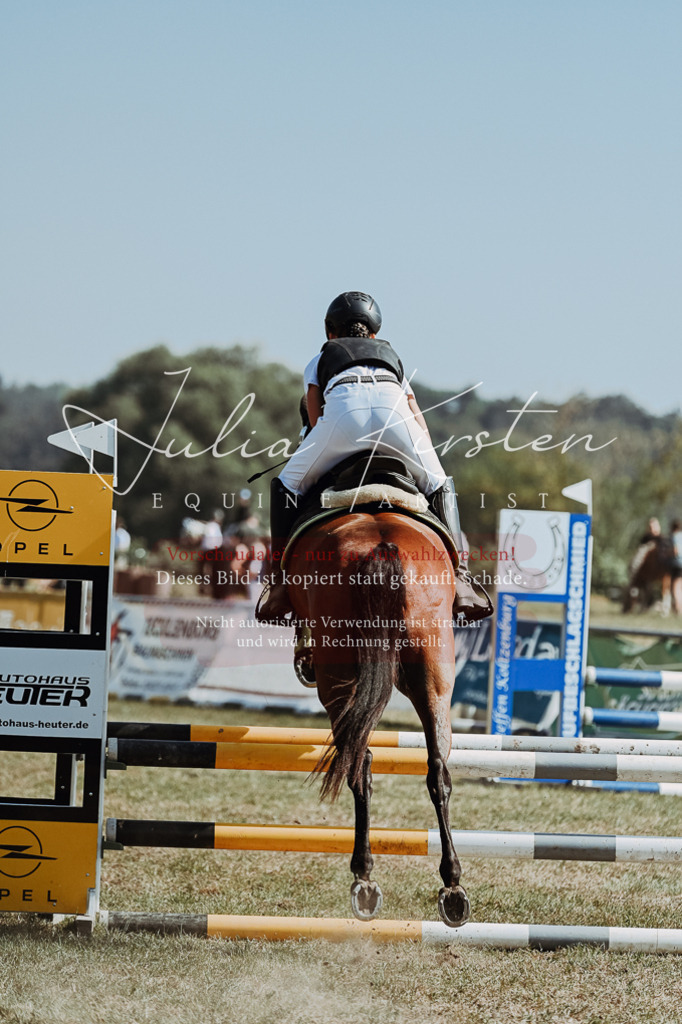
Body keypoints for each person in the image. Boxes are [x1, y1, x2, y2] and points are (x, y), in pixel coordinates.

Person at [256, 291, 460, 622]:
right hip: (396, 421)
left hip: (343, 420)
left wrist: (325, 445)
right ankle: (462, 578)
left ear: (330, 332)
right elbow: (416, 414)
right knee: (439, 483)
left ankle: (278, 582)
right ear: (374, 334)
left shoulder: (320, 359)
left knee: (285, 485)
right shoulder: (391, 356)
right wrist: (420, 448)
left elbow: (314, 418)